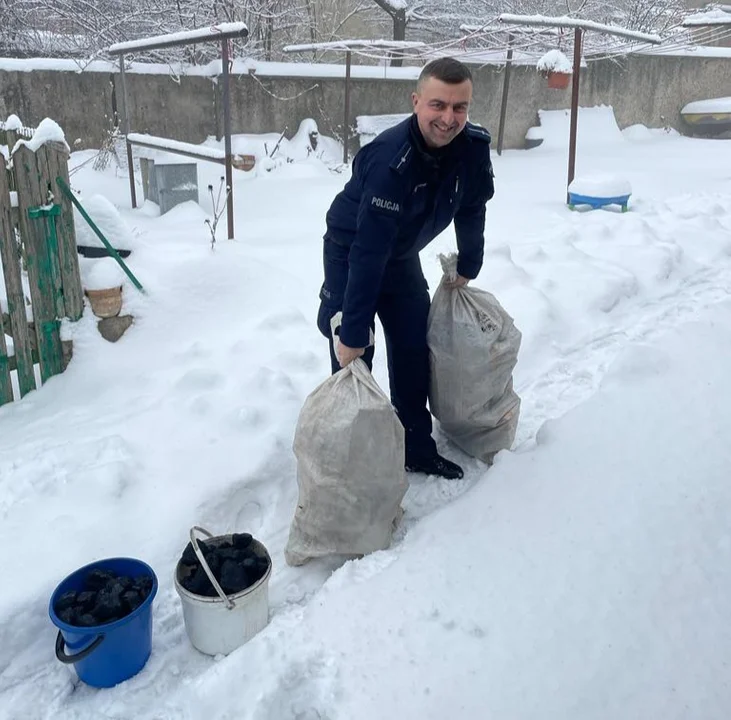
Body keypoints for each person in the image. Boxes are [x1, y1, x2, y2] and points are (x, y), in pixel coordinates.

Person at [316, 56, 495, 480]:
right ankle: (357, 465)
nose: (449, 119)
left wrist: (470, 261)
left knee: (414, 347)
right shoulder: (388, 160)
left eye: (460, 107)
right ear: (416, 102)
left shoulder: (471, 149)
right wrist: (354, 329)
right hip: (351, 253)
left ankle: (416, 447)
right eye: (438, 105)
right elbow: (368, 251)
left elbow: (473, 206)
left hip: (399, 255)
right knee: (354, 358)